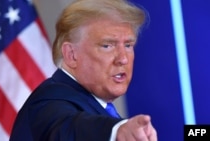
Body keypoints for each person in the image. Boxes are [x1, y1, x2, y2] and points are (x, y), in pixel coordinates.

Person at [10, 0, 157, 140]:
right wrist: (117, 131)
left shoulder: (97, 104)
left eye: (128, 45)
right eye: (107, 46)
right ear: (72, 55)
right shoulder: (50, 100)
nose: (123, 59)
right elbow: (69, 128)